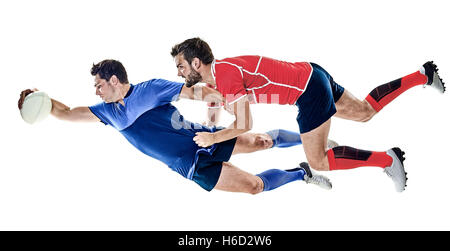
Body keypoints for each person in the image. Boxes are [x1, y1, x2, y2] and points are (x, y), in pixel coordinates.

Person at [170, 37, 446, 192]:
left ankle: (388, 159)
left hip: (307, 93)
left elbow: (245, 123)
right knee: (364, 112)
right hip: (311, 73)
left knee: (319, 161)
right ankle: (422, 76)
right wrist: (212, 120)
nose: (179, 73)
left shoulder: (227, 75)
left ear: (196, 63)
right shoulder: (217, 75)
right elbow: (216, 99)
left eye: (181, 67)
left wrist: (213, 138)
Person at [18, 59, 332, 194]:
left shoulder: (149, 89)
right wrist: (39, 99)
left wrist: (217, 96)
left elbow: (192, 91)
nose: (96, 91)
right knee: (254, 187)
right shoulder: (107, 112)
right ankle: (301, 173)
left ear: (113, 80)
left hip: (202, 138)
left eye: (98, 85)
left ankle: (315, 143)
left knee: (261, 141)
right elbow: (67, 111)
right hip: (189, 164)